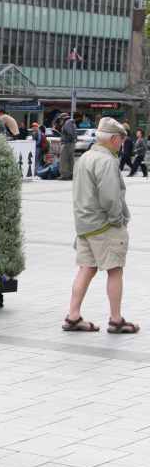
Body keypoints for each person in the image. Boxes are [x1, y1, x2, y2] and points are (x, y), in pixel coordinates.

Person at [63, 117, 138, 334]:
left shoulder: (85, 157)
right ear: (114, 139)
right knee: (115, 270)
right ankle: (116, 319)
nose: (122, 144)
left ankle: (73, 316)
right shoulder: (107, 161)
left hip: (85, 225)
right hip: (104, 226)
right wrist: (118, 220)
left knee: (86, 268)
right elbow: (110, 198)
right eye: (121, 139)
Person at [59, 113, 76, 180]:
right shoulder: (71, 123)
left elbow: (70, 133)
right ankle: (71, 174)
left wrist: (67, 140)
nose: (60, 120)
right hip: (71, 143)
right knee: (70, 159)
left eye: (61, 119)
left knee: (63, 159)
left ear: (63, 118)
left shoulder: (67, 123)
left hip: (67, 143)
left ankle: (64, 175)